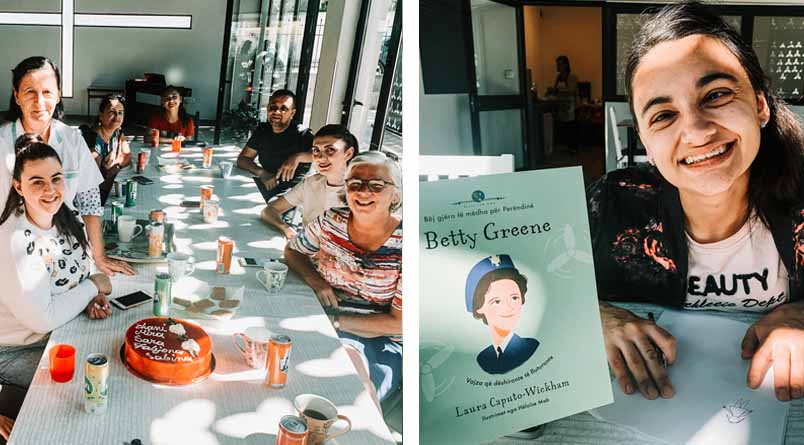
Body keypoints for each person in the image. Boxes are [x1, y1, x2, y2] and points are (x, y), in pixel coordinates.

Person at [589, 1, 804, 402]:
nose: (696, 131)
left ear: (760, 104)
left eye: (716, 94)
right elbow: (526, 287)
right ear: (646, 140)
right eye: (663, 115)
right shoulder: (613, 204)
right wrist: (595, 316)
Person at [0, 134, 113, 439]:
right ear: (18, 187)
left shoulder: (64, 215)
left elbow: (76, 269)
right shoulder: (14, 240)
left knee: (112, 357)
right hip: (15, 349)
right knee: (88, 383)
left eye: (56, 178)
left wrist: (86, 297)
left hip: (59, 331)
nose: (50, 189)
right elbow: (43, 318)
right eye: (37, 181)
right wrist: (92, 286)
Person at [285, 151, 402, 407]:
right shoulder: (331, 220)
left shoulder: (406, 245)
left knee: (353, 394)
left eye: (376, 185)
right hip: (320, 318)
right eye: (355, 183)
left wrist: (333, 322)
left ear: (395, 194)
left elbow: (398, 324)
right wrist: (317, 281)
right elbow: (294, 250)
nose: (363, 192)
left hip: (375, 339)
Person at [0, 56, 134, 277]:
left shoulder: (72, 139)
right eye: (29, 92)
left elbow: (89, 204)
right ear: (16, 96)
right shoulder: (3, 142)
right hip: (15, 254)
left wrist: (98, 258)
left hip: (67, 251)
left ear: (59, 94)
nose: (39, 102)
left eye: (47, 92)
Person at [261, 124, 356, 238]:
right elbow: (269, 211)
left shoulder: (361, 193)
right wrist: (287, 229)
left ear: (348, 153)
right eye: (316, 150)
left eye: (330, 150)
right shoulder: (310, 184)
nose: (320, 157)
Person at [236, 89, 313, 203]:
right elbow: (243, 159)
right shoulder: (263, 130)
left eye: (283, 109)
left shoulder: (302, 134)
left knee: (268, 215)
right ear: (267, 109)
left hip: (291, 192)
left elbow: (322, 155)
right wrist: (262, 173)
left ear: (292, 113)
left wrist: (297, 157)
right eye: (273, 107)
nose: (277, 111)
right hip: (267, 184)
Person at [466, 254, 539, 375]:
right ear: (479, 307)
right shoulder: (484, 359)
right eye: (497, 301)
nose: (509, 307)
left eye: (514, 298)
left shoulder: (531, 347)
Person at [79, 94, 131, 205]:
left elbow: (127, 155)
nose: (117, 117)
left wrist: (116, 166)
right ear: (101, 115)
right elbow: (91, 183)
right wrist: (110, 173)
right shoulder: (93, 140)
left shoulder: (117, 131)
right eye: (112, 112)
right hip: (93, 200)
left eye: (120, 113)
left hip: (108, 188)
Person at [551, 55, 579, 153]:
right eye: (557, 64)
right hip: (561, 107)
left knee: (571, 128)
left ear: (566, 65)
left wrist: (560, 90)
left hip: (571, 107)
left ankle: (573, 148)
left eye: (560, 64)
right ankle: (566, 147)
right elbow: (555, 90)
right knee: (564, 128)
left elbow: (571, 89)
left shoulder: (572, 77)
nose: (558, 67)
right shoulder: (558, 78)